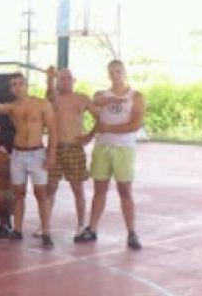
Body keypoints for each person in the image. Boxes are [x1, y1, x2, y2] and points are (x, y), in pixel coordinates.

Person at [0, 72, 57, 246]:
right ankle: (17, 230)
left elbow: (53, 130)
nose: (18, 87)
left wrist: (51, 155)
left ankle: (46, 232)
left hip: (37, 153)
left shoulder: (42, 104)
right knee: (18, 194)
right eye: (14, 84)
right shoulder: (12, 107)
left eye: (20, 83)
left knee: (41, 194)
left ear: (26, 84)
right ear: (11, 88)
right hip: (18, 154)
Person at [77, 59, 145, 249]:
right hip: (102, 147)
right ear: (108, 75)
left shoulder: (136, 96)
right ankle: (92, 228)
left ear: (124, 72)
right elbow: (93, 106)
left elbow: (135, 125)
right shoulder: (102, 95)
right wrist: (90, 136)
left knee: (125, 191)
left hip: (124, 148)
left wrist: (110, 128)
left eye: (118, 71)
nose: (115, 75)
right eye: (111, 72)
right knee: (99, 190)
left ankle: (131, 232)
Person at [43, 65, 95, 239]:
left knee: (77, 189)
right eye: (61, 78)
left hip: (74, 147)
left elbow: (100, 116)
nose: (64, 81)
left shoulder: (83, 98)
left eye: (67, 78)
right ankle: (45, 226)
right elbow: (49, 92)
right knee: (50, 187)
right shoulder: (53, 98)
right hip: (55, 147)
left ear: (74, 80)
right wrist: (50, 78)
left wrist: (90, 135)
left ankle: (81, 224)